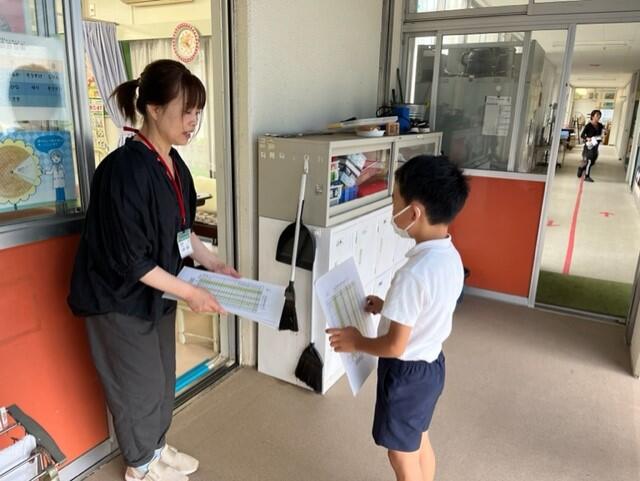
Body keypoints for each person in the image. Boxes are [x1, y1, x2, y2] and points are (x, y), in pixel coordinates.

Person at [68, 59, 238, 481]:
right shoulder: (122, 171)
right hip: (118, 299)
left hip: (157, 293)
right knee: (137, 386)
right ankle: (141, 465)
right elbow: (131, 259)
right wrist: (192, 293)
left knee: (162, 381)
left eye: (198, 111)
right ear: (154, 109)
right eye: (186, 110)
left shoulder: (175, 165)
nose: (193, 120)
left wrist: (212, 262)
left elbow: (183, 230)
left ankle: (157, 448)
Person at [327, 155, 469, 481]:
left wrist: (356, 341)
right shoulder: (449, 257)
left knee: (400, 455)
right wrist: (386, 306)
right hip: (431, 367)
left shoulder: (413, 274)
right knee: (419, 438)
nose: (392, 209)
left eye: (394, 200)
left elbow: (394, 346)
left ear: (414, 213)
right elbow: (426, 308)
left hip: (406, 375)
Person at [577, 109, 605, 182]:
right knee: (589, 161)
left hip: (595, 146)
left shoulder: (600, 125)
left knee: (592, 162)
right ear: (592, 116)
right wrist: (587, 138)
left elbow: (603, 133)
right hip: (589, 146)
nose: (598, 117)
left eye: (599, 115)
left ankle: (581, 168)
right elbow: (582, 135)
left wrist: (604, 134)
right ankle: (587, 176)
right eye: (597, 115)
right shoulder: (588, 126)